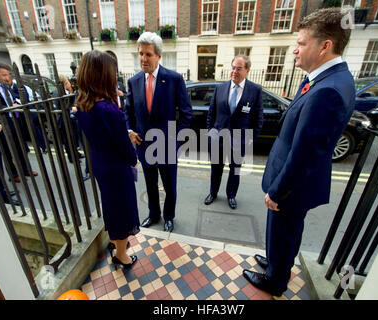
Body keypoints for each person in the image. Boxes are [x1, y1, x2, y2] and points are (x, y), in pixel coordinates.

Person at [243, 8, 356, 297]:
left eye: (302, 43)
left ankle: (275, 280)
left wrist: (277, 192)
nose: (295, 49)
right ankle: (277, 262)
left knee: (283, 230)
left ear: (325, 46)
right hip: (296, 182)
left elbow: (304, 154)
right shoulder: (331, 78)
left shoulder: (327, 91)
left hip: (292, 186)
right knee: (285, 233)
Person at [75, 50, 139, 269]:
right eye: (112, 72)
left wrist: (122, 134)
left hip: (100, 163)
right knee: (123, 210)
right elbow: (124, 149)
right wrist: (133, 156)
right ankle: (121, 255)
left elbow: (100, 136)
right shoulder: (108, 109)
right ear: (103, 75)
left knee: (111, 206)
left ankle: (116, 244)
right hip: (116, 168)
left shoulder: (83, 105)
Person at [124, 32, 193, 232]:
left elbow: (187, 113)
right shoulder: (134, 81)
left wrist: (176, 140)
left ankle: (169, 216)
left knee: (170, 185)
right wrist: (129, 130)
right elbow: (128, 111)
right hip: (144, 145)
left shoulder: (174, 79)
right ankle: (154, 214)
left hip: (167, 145)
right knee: (150, 184)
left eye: (148, 54)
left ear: (159, 56)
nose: (143, 59)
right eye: (141, 54)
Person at [204, 55, 263, 210]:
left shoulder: (255, 90)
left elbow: (258, 117)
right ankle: (213, 193)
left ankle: (231, 195)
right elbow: (212, 113)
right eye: (233, 68)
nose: (234, 71)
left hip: (239, 140)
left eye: (239, 68)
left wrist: (251, 138)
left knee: (235, 170)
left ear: (247, 70)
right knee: (216, 169)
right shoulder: (220, 88)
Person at [0, 62, 38, 183]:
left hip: (14, 119)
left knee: (20, 145)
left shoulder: (6, 85)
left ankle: (25, 168)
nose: (6, 77)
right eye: (3, 75)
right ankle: (13, 173)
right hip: (2, 121)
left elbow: (11, 97)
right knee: (7, 149)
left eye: (7, 74)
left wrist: (17, 101)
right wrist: (9, 106)